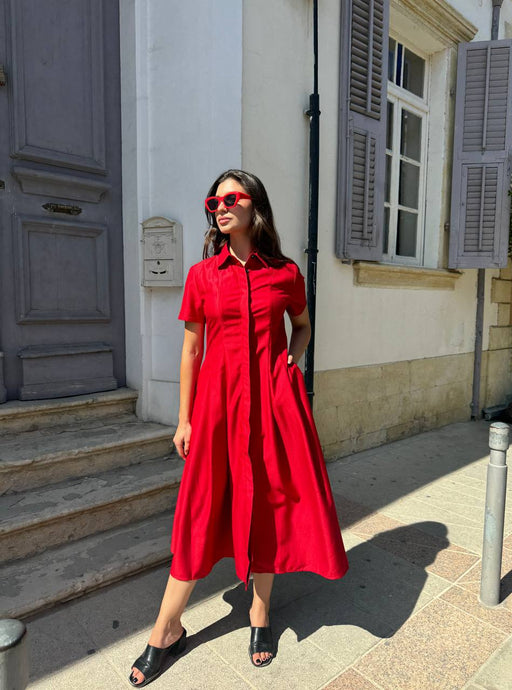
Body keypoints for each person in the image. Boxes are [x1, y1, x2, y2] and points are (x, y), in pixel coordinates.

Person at [129, 169, 349, 686]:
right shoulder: (202, 276)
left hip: (273, 409)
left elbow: (303, 326)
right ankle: (166, 628)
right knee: (200, 512)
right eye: (214, 201)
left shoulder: (286, 273)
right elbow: (191, 349)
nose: (220, 207)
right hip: (217, 412)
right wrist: (184, 418)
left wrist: (292, 363)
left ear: (256, 207)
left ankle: (259, 613)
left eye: (232, 198)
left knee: (270, 504)